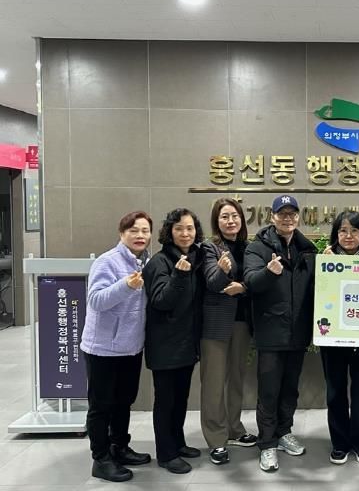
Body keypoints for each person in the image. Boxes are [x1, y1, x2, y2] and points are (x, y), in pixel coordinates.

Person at [244, 195, 317, 472]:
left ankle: (284, 432)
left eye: (292, 214)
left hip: (298, 333)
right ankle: (267, 443)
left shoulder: (306, 249)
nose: (287, 218)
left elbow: (318, 287)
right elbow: (250, 281)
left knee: (289, 389)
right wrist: (268, 272)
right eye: (282, 213)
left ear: (298, 217)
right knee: (269, 391)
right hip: (270, 334)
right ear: (272, 216)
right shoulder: (257, 248)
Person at [81, 211, 154, 482]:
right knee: (101, 405)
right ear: (122, 233)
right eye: (133, 230)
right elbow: (96, 300)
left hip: (130, 347)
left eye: (145, 231)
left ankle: (119, 447)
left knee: (124, 401)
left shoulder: (147, 262)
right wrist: (126, 285)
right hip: (102, 348)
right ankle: (100, 458)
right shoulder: (107, 261)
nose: (140, 236)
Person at [142, 208, 205, 475]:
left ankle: (177, 443)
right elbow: (160, 301)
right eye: (179, 228)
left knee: (180, 399)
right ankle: (166, 454)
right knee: (166, 401)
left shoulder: (193, 257)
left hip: (186, 343)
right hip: (165, 345)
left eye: (190, 228)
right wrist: (179, 276)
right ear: (169, 232)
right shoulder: (160, 262)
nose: (185, 233)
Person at [200, 198, 257, 467]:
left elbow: (255, 281)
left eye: (234, 216)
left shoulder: (249, 247)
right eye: (224, 216)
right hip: (216, 324)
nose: (230, 221)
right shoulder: (209, 248)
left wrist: (244, 286)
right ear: (217, 221)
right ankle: (216, 438)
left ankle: (234, 428)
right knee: (214, 383)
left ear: (242, 219)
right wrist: (222, 271)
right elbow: (212, 283)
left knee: (236, 378)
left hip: (243, 321)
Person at [321, 211, 359, 465]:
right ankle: (340, 443)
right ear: (336, 235)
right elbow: (317, 299)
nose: (349, 236)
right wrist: (325, 270)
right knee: (335, 391)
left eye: (354, 230)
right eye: (343, 231)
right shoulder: (325, 261)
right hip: (333, 339)